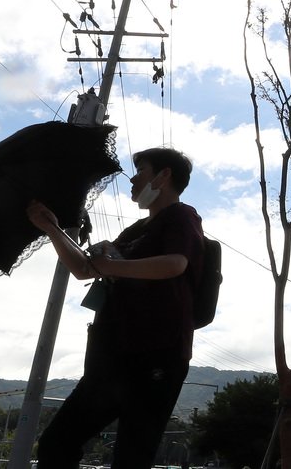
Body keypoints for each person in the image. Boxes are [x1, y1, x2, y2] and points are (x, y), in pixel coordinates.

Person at [26, 146, 205, 469]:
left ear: (164, 176)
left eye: (141, 172)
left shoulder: (182, 216)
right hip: (112, 357)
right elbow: (84, 269)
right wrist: (52, 228)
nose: (133, 181)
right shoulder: (135, 231)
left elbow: (175, 263)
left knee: (131, 457)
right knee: (56, 441)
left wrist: (111, 266)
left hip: (159, 354)